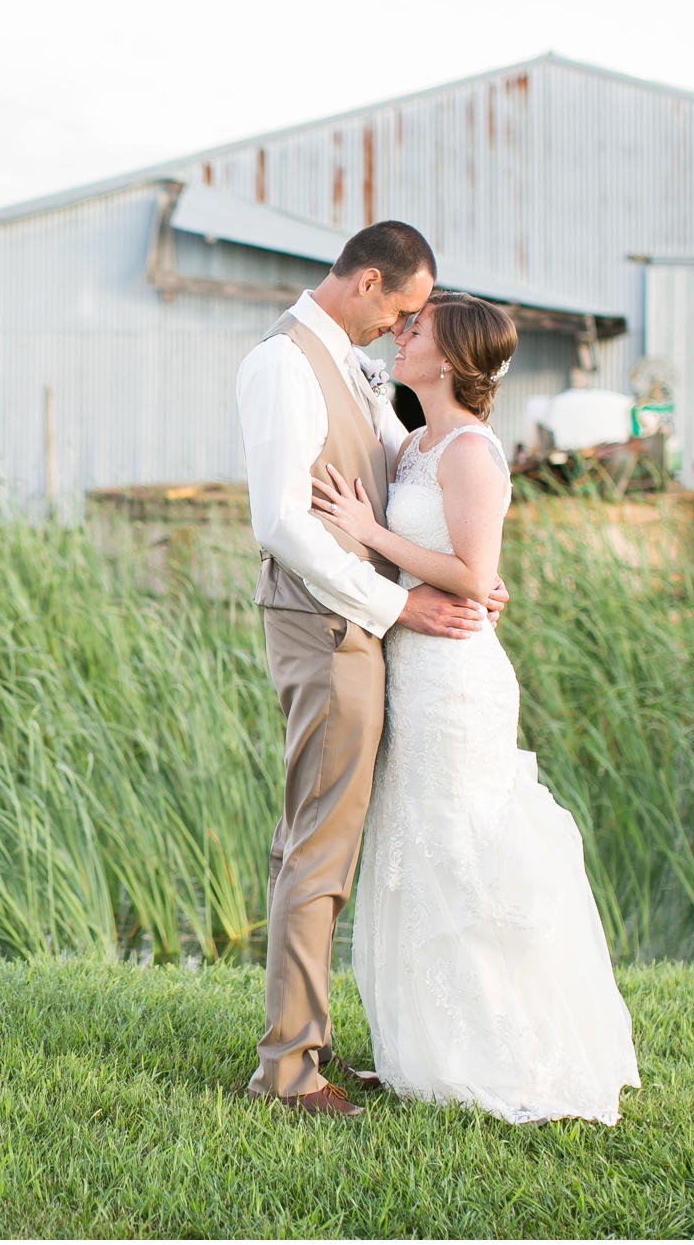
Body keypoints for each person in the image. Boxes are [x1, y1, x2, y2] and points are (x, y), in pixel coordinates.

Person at [312, 291, 641, 1125]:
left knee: (460, 846)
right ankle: (428, 1051)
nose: (404, 331)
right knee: (416, 847)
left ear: (451, 359)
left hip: (457, 678)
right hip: (414, 667)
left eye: (417, 328)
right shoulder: (415, 439)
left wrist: (369, 530)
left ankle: (504, 1050)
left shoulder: (470, 451)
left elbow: (468, 571)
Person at [234, 221, 506, 1117]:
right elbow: (279, 519)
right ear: (369, 283)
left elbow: (422, 475)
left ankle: (309, 1043)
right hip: (327, 627)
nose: (405, 325)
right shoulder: (284, 363)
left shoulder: (349, 362)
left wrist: (472, 575)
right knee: (317, 844)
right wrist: (397, 603)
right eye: (405, 306)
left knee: (332, 839)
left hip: (359, 628)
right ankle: (288, 1069)